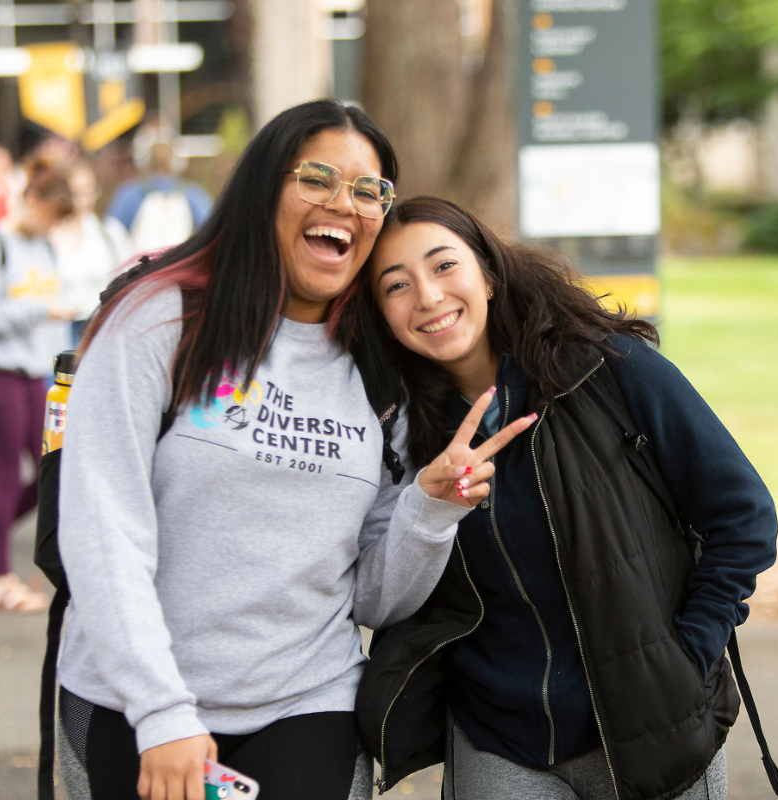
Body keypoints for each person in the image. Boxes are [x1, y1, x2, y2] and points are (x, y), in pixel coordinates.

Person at [54, 100, 534, 800]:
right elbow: (103, 530)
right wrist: (160, 712)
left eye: (368, 190)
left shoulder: (379, 374)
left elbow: (370, 596)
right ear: (264, 188)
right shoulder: (161, 321)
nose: (345, 202)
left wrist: (428, 515)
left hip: (307, 701)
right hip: (136, 702)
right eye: (317, 178)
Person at [352, 197, 778, 800]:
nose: (427, 296)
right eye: (396, 285)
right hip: (497, 739)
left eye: (444, 266)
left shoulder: (608, 369)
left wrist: (687, 655)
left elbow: (744, 515)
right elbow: (387, 589)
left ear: (490, 274)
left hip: (649, 724)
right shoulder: (400, 435)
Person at [0, 160, 77, 612]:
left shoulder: (45, 248)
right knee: (9, 475)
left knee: (55, 472)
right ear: (31, 201)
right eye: (51, 214)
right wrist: (37, 312)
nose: (52, 225)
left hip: (36, 376)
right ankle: (2, 579)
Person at [48, 157, 131, 343]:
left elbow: (127, 283)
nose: (84, 200)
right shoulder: (45, 237)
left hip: (98, 332)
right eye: (76, 193)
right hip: (54, 337)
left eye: (89, 191)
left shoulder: (110, 232)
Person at [105, 139, 213, 254]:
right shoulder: (193, 193)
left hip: (140, 266)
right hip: (177, 265)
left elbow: (112, 233)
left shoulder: (130, 193)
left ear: (146, 163)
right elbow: (210, 229)